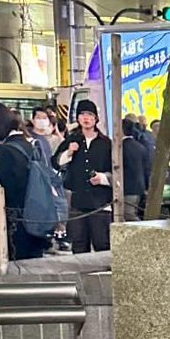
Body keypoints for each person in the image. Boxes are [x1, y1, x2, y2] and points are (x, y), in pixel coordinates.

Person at [53, 100, 113, 253]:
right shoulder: (71, 140)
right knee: (79, 243)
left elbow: (117, 169)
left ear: (96, 118)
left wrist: (103, 178)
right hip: (78, 200)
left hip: (101, 201)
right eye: (82, 114)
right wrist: (69, 153)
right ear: (78, 118)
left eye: (90, 115)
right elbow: (55, 163)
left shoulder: (106, 143)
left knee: (102, 242)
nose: (86, 118)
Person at [0, 103, 48, 261]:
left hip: (16, 222)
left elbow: (6, 190)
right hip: (37, 214)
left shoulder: (5, 151)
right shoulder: (30, 144)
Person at [121, 117, 150, 220]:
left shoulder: (119, 148)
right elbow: (147, 169)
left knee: (128, 214)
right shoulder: (140, 147)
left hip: (127, 187)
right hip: (139, 186)